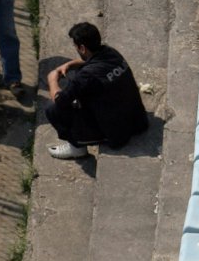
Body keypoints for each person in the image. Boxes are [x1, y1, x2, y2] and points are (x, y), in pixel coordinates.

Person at [45, 22, 149, 159]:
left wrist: (52, 79)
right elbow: (89, 61)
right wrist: (70, 64)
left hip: (116, 134)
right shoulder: (111, 53)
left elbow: (60, 101)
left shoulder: (86, 76)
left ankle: (77, 147)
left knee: (52, 109)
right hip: (138, 121)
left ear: (82, 48)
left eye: (76, 46)